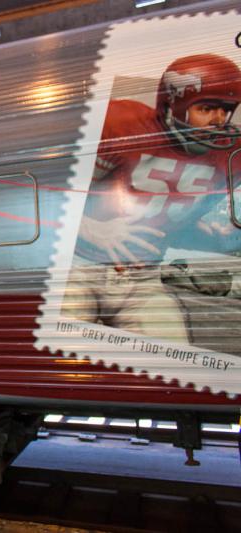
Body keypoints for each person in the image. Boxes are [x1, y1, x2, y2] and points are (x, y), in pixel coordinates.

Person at [63, 53, 241, 343]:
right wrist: (91, 228)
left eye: (226, 109)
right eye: (207, 108)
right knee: (57, 353)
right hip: (79, 267)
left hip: (143, 281)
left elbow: (160, 218)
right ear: (173, 104)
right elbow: (38, 200)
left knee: (173, 364)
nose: (219, 120)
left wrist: (208, 236)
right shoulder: (123, 126)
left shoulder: (229, 155)